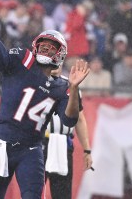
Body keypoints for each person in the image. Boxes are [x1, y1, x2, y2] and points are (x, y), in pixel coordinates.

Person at [0, 0, 90, 198]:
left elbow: (70, 120)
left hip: (31, 149)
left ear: (60, 55)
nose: (46, 49)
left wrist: (73, 88)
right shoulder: (22, 60)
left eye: (51, 48)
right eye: (43, 45)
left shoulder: (62, 86)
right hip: (3, 142)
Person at [43, 65, 93, 199]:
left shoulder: (71, 85)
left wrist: (87, 150)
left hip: (62, 144)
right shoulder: (35, 82)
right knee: (33, 190)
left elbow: (80, 120)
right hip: (39, 142)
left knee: (62, 194)